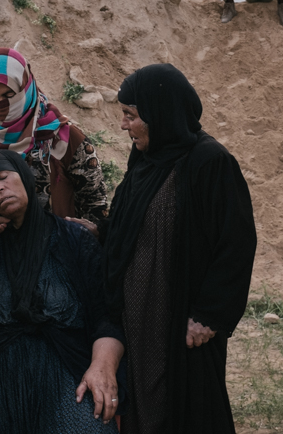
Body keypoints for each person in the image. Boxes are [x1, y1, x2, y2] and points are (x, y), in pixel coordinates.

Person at [103, 63, 257, 434]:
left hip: (180, 323)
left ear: (160, 113)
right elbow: (132, 220)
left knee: (186, 408)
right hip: (138, 319)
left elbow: (236, 243)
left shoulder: (210, 163)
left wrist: (209, 314)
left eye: (131, 115)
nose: (124, 125)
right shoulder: (146, 157)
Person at [0, 150, 125, 433]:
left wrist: (103, 366)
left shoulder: (73, 240)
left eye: (4, 177)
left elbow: (107, 314)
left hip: (63, 373)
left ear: (26, 178)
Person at [0, 47, 107, 224]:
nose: (2, 105)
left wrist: (83, 235)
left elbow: (96, 205)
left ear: (27, 87)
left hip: (55, 248)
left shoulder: (63, 138)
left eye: (9, 95)